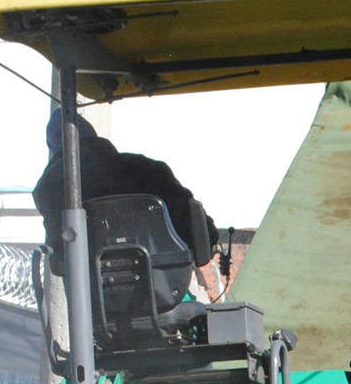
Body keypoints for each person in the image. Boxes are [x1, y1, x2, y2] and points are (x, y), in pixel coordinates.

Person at [35, 116, 227, 299]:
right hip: (163, 294)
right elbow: (202, 235)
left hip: (92, 304)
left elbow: (59, 261)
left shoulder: (48, 191)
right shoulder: (148, 170)